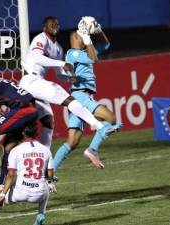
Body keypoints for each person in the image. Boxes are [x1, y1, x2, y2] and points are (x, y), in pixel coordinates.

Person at [20, 16, 121, 146]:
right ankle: (100, 127)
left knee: (48, 122)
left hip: (38, 84)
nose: (55, 26)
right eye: (51, 24)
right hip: (30, 80)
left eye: (57, 24)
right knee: (70, 100)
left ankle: (46, 160)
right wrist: (62, 63)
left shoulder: (57, 49)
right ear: (44, 27)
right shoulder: (41, 38)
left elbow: (59, 75)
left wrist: (69, 77)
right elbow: (37, 58)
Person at [53, 20, 117, 172]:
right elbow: (94, 59)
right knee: (111, 119)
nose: (85, 37)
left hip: (78, 98)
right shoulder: (73, 53)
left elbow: (105, 45)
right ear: (76, 37)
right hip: (81, 96)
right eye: (82, 36)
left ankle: (49, 173)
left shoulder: (82, 53)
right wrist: (87, 39)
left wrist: (98, 30)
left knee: (72, 142)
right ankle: (92, 150)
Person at [0, 122, 55, 225]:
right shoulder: (46, 150)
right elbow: (50, 173)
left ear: (23, 134)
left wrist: (3, 193)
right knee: (46, 188)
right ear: (36, 134)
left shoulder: (15, 150)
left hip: (20, 192)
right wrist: (50, 182)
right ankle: (40, 215)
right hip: (39, 194)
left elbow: (11, 175)